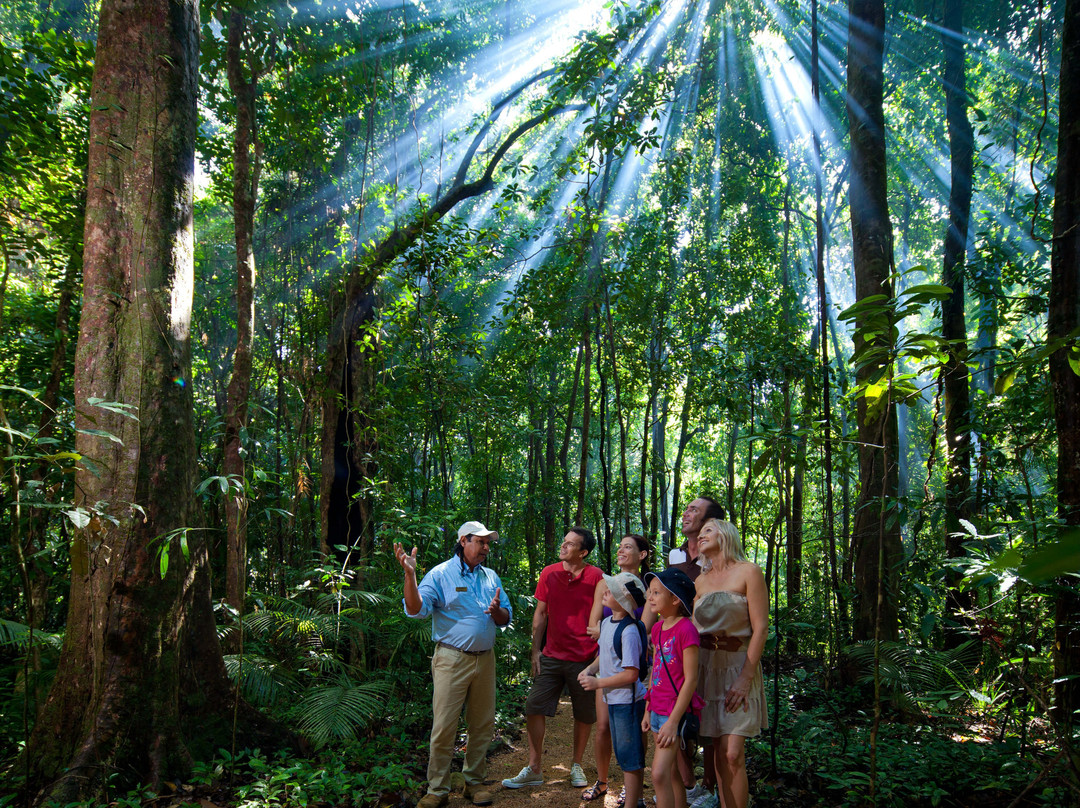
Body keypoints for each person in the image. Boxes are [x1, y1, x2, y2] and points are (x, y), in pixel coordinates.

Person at [395, 521, 512, 808]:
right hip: (451, 658)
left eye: (488, 543)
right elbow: (416, 610)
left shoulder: (490, 577)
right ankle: (437, 790)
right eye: (480, 542)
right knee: (445, 726)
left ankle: (474, 784)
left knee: (482, 725)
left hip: (485, 660)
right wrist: (410, 576)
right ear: (463, 541)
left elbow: (506, 618)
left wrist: (497, 612)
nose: (486, 547)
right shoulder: (440, 574)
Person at [502, 527, 603, 790]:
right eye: (563, 542)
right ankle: (535, 767)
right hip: (552, 655)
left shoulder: (596, 577)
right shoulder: (549, 572)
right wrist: (536, 651)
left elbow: (601, 619)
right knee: (534, 706)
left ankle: (577, 765)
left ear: (583, 552)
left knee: (584, 713)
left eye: (571, 544)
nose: (564, 546)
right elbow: (541, 614)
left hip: (584, 656)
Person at [693, 519, 768, 808]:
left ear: (726, 535)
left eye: (708, 531)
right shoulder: (700, 580)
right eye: (700, 534)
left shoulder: (748, 571)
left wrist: (745, 678)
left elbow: (761, 628)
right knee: (718, 751)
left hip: (739, 663)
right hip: (706, 666)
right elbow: (690, 626)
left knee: (733, 752)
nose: (701, 536)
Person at [584, 535, 653, 804]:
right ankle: (602, 781)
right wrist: (603, 630)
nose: (621, 550)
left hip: (630, 663)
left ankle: (632, 785)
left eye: (628, 547)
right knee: (603, 726)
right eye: (620, 546)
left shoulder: (648, 587)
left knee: (633, 730)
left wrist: (606, 628)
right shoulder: (604, 583)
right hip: (607, 660)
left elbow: (643, 628)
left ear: (643, 555)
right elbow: (594, 625)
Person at [642, 568, 703, 808]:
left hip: (673, 712)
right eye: (650, 592)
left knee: (658, 774)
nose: (650, 597)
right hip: (657, 708)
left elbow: (691, 680)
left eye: (657, 592)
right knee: (672, 773)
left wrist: (673, 721)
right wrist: (648, 708)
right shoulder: (657, 629)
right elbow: (656, 670)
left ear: (676, 599)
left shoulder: (687, 630)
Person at [668, 496, 727, 581]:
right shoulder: (674, 554)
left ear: (710, 521)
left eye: (694, 510)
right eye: (686, 509)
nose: (684, 514)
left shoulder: (720, 559)